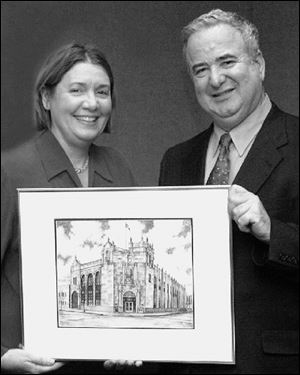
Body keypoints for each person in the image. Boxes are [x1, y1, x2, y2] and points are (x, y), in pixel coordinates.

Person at [159, 9, 298, 374]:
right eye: (200, 69)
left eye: (227, 61)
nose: (215, 79)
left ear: (259, 64)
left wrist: (273, 231)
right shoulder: (176, 161)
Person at [1, 43, 142, 373]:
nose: (91, 103)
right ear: (47, 98)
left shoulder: (118, 167)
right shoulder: (9, 171)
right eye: (77, 90)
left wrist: (132, 338)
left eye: (102, 91)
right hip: (27, 362)